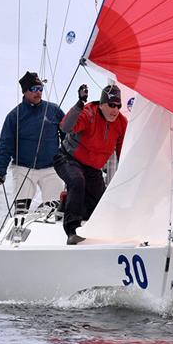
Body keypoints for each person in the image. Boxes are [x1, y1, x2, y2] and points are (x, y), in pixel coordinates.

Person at [54, 83, 127, 245]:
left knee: (99, 204)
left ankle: (66, 203)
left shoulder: (121, 123)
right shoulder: (89, 112)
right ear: (101, 105)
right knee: (77, 181)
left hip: (92, 168)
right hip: (67, 158)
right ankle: (72, 231)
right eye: (111, 105)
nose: (115, 110)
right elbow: (66, 127)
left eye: (118, 106)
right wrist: (80, 103)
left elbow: (124, 153)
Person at [0, 71, 65, 214]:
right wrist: (0, 172)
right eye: (34, 89)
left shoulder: (54, 110)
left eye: (40, 89)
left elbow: (68, 136)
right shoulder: (14, 116)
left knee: (55, 210)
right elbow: (5, 145)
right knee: (21, 210)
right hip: (23, 168)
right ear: (25, 92)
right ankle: (18, 228)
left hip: (50, 168)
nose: (38, 93)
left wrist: (70, 161)